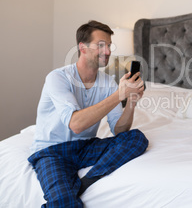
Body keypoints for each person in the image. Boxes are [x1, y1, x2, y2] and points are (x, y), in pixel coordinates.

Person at [28, 20, 148, 207]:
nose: (108, 51)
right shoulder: (58, 78)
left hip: (84, 148)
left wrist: (130, 102)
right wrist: (119, 95)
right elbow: (76, 124)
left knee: (136, 139)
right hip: (52, 152)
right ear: (82, 47)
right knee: (64, 201)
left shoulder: (108, 82)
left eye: (109, 45)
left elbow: (120, 131)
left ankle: (85, 183)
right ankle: (71, 190)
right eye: (101, 45)